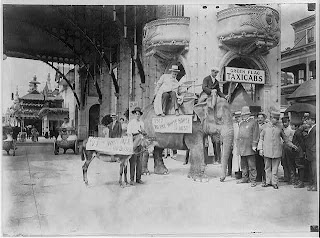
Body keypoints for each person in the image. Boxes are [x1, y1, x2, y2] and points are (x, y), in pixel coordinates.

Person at [258, 111, 298, 189]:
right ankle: (268, 182)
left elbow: (285, 139)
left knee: (275, 168)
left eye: (277, 119)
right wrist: (260, 149)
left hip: (277, 151)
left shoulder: (280, 128)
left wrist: (292, 145)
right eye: (274, 118)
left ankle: (274, 182)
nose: (276, 120)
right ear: (271, 118)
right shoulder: (265, 127)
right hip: (267, 150)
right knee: (267, 167)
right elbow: (261, 139)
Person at [237, 106, 259, 187]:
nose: (242, 116)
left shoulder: (253, 122)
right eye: (242, 115)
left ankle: (253, 180)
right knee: (243, 165)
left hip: (250, 147)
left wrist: (254, 144)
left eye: (244, 115)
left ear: (248, 114)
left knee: (252, 165)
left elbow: (256, 134)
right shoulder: (241, 123)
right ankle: (244, 178)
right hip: (242, 147)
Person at [127, 107, 145, 185]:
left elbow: (143, 132)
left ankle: (138, 178)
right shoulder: (131, 123)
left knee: (139, 161)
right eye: (136, 114)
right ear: (134, 114)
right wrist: (131, 142)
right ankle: (131, 179)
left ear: (140, 115)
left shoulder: (141, 123)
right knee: (133, 161)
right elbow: (128, 133)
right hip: (133, 139)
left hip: (140, 140)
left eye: (139, 114)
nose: (137, 115)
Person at [290, 121, 307, 188]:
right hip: (299, 151)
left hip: (299, 152)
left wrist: (303, 150)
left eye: (292, 125)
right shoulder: (299, 132)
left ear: (296, 126)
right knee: (300, 166)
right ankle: (300, 181)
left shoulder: (297, 132)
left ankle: (301, 182)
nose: (291, 127)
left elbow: (301, 143)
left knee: (300, 167)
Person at [280, 117, 296, 184]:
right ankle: (286, 177)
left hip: (289, 148)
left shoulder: (291, 130)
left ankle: (292, 178)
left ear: (288, 121)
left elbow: (290, 140)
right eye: (283, 122)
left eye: (285, 122)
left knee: (290, 163)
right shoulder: (282, 129)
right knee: (284, 163)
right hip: (283, 148)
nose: (284, 123)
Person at [304, 113, 317, 191]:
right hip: (310, 153)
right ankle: (313, 184)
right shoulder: (311, 128)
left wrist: (312, 150)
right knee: (312, 170)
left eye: (308, 120)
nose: (307, 121)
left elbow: (313, 142)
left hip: (313, 153)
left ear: (312, 121)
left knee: (315, 170)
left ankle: (315, 185)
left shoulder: (315, 129)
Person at [256, 112, 268, 183]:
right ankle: (258, 177)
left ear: (264, 119)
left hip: (264, 146)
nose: (260, 119)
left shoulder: (266, 126)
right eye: (259, 118)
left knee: (264, 162)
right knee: (257, 162)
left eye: (261, 118)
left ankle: (265, 178)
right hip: (256, 145)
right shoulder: (255, 125)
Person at [231, 111, 242, 179]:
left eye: (239, 117)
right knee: (236, 159)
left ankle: (242, 172)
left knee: (241, 159)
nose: (237, 118)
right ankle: (237, 172)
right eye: (236, 117)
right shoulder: (233, 125)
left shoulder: (243, 124)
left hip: (242, 144)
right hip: (235, 144)